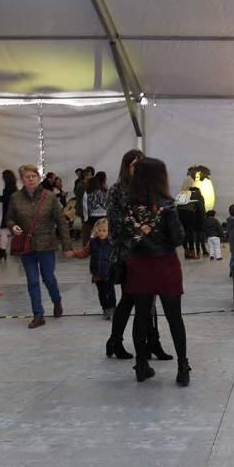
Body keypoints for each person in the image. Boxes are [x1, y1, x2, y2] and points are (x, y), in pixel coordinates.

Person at [116, 157, 190, 385]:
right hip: (165, 264)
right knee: (174, 317)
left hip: (139, 264)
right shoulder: (167, 204)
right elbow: (178, 238)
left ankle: (141, 365)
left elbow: (123, 236)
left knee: (141, 315)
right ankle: (182, 367)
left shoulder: (127, 204)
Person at [105, 149, 172, 363]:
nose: (139, 169)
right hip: (127, 254)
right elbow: (116, 224)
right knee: (129, 300)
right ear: (127, 167)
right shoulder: (117, 190)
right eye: (135, 165)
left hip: (148, 253)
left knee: (150, 301)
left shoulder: (148, 190)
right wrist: (139, 235)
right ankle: (116, 340)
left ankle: (153, 342)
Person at [7, 163, 73, 329]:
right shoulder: (15, 198)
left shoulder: (49, 197)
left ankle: (57, 301)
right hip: (26, 246)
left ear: (38, 177)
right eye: (26, 177)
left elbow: (61, 222)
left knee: (48, 279)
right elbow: (9, 218)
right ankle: (38, 315)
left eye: (33, 176)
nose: (30, 179)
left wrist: (67, 246)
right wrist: (12, 226)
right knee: (32, 281)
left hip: (46, 245)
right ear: (21, 180)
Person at [86, 218, 116, 319]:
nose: (102, 233)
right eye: (99, 230)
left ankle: (112, 308)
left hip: (109, 272)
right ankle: (105, 309)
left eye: (104, 231)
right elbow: (85, 252)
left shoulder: (112, 243)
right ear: (96, 230)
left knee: (110, 291)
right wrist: (74, 253)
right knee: (101, 292)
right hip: (97, 273)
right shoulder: (92, 242)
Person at [0, 169, 18, 262]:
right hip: (13, 212)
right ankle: (5, 250)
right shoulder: (14, 187)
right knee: (12, 231)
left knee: (4, 231)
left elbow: (6, 199)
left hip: (7, 212)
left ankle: (3, 251)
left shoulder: (8, 188)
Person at [83, 171, 109, 246]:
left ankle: (94, 248)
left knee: (94, 234)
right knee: (104, 233)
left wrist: (86, 218)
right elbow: (105, 204)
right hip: (103, 215)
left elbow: (85, 205)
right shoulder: (101, 192)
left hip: (91, 216)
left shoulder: (86, 192)